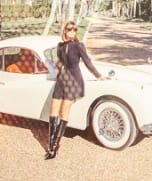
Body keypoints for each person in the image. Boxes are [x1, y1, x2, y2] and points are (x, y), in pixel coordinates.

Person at [45, 20, 107, 159]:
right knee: (53, 109)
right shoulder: (60, 46)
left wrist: (99, 75)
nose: (72, 32)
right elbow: (59, 64)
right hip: (61, 80)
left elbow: (88, 62)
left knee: (63, 111)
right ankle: (51, 144)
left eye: (74, 29)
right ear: (65, 31)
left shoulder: (79, 45)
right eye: (69, 29)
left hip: (73, 80)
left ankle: (54, 148)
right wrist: (53, 73)